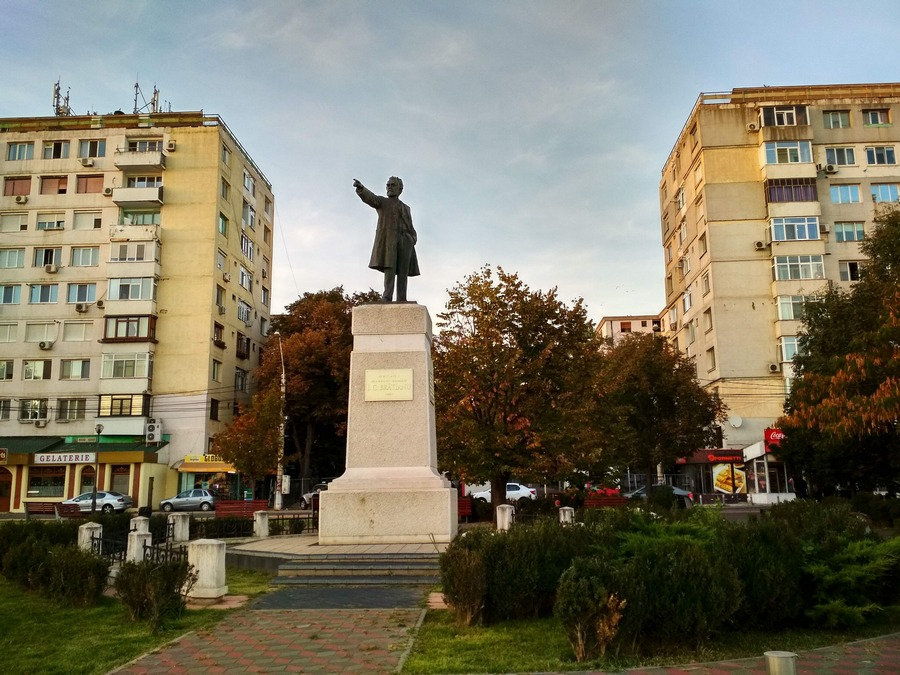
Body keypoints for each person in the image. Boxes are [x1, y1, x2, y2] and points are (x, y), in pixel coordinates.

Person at [353, 176, 420, 302]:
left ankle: (401, 298)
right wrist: (362, 189)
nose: (389, 187)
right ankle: (387, 296)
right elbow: (371, 198)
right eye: (388, 185)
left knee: (403, 272)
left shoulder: (406, 208)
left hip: (406, 241)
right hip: (390, 240)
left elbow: (410, 225)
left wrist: (412, 238)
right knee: (390, 268)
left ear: (400, 189)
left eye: (392, 185)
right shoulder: (383, 202)